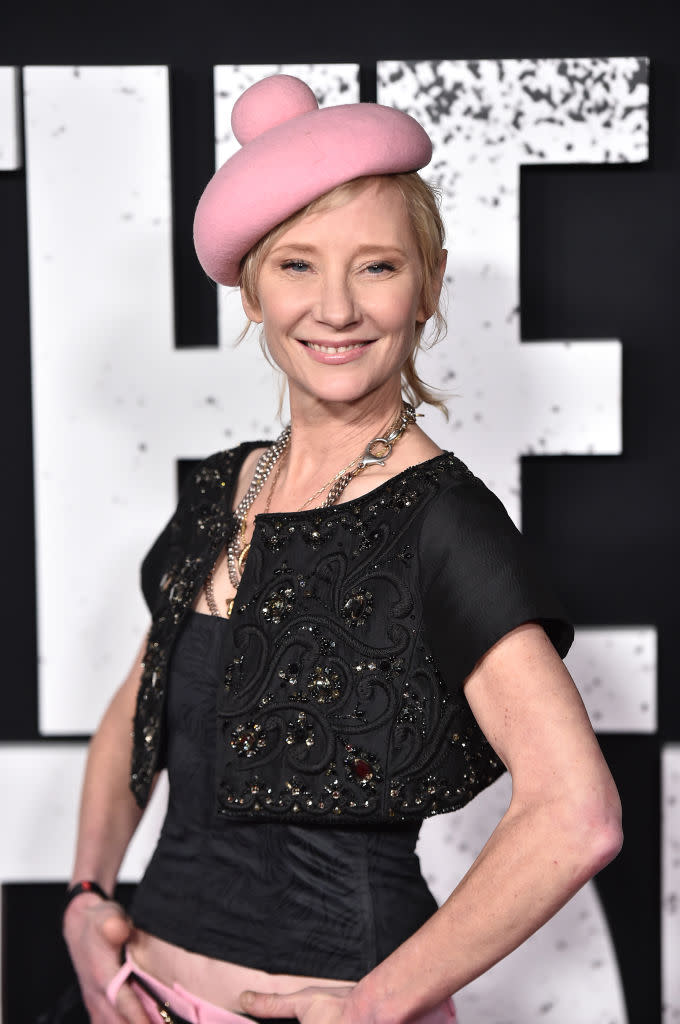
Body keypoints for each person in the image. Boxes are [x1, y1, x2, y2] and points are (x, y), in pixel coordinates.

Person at [62, 73, 622, 1024]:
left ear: (427, 284)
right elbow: (138, 710)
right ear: (249, 289)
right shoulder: (221, 487)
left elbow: (578, 815)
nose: (337, 308)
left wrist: (373, 1007)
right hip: (132, 995)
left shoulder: (444, 521)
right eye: (297, 266)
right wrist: (84, 898)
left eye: (376, 266)